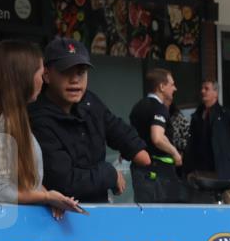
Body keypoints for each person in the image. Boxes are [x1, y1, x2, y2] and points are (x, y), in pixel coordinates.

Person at [0, 40, 82, 219]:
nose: (42, 80)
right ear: (24, 77)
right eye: (40, 74)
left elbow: (23, 183)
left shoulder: (9, 118)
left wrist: (49, 198)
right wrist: (46, 197)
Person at [29, 38, 150, 203]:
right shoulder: (38, 118)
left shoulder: (89, 101)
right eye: (66, 71)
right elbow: (65, 182)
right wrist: (110, 174)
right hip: (59, 213)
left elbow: (115, 126)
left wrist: (136, 148)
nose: (75, 80)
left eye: (81, 72)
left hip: (98, 209)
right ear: (47, 75)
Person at [128, 68, 183, 203]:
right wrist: (175, 153)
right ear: (162, 87)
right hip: (159, 174)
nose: (175, 88)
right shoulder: (159, 108)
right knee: (166, 213)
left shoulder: (138, 107)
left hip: (140, 171)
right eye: (172, 84)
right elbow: (157, 138)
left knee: (145, 211)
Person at [184, 79, 230, 203]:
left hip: (222, 170)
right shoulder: (197, 115)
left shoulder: (225, 115)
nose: (203, 91)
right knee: (201, 204)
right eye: (202, 88)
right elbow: (192, 142)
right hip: (201, 169)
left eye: (206, 89)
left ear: (215, 93)